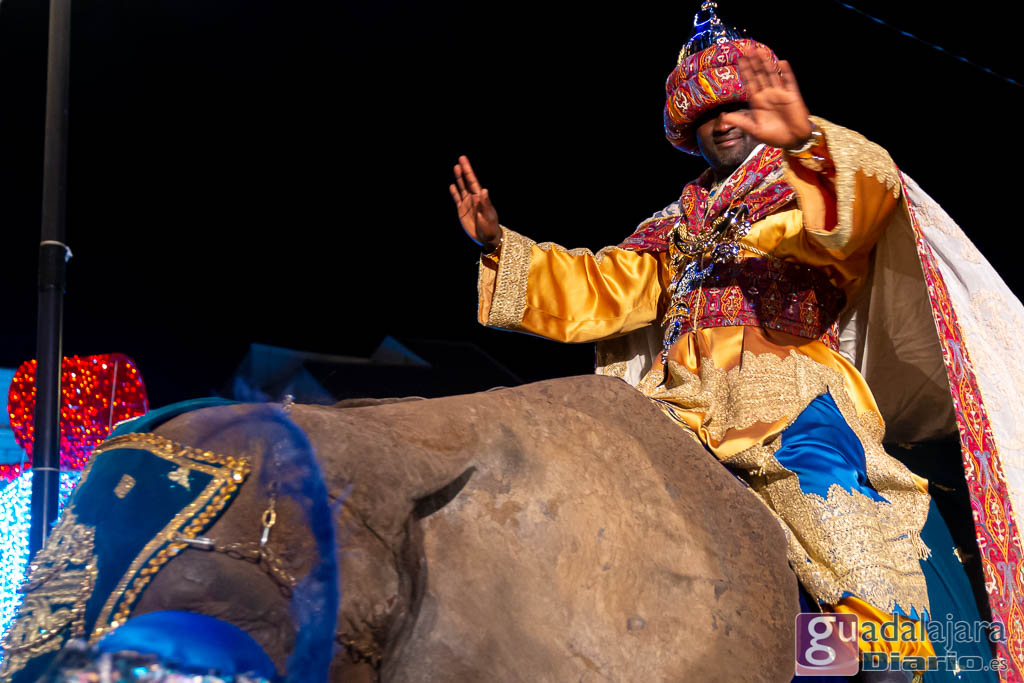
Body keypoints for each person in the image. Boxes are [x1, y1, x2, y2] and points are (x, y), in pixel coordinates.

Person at [450, 3, 1007, 680]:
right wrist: (500, 246)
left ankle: (877, 658)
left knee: (830, 504)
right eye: (706, 115)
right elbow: (605, 287)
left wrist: (806, 143)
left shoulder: (798, 184)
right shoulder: (676, 221)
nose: (722, 123)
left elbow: (855, 217)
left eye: (736, 106)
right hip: (677, 399)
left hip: (786, 390)